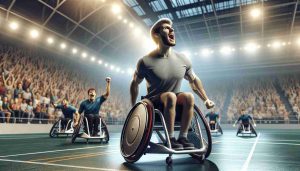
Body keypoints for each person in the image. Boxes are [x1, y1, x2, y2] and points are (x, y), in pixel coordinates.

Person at [130, 18, 214, 150]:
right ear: (156, 35)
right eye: (166, 28)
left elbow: (194, 81)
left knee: (189, 97)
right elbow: (135, 84)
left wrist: (206, 99)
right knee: (170, 96)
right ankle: (170, 138)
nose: (172, 29)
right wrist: (133, 106)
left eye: (172, 28)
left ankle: (183, 137)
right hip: (154, 102)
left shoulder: (183, 58)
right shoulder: (145, 61)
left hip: (173, 99)